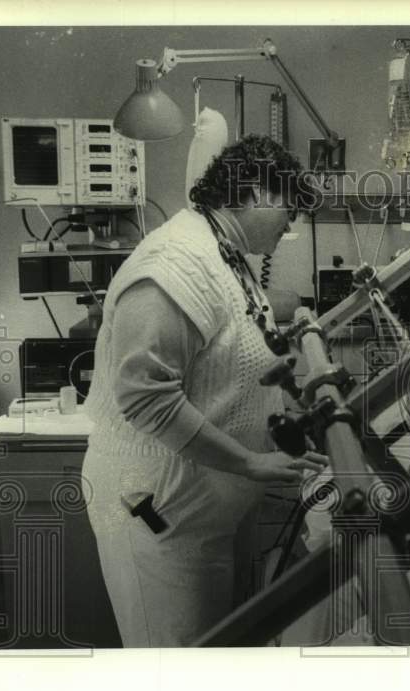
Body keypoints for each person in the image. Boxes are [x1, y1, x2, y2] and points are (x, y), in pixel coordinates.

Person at [81, 135, 326, 647]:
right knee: (177, 679)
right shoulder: (175, 262)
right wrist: (250, 463)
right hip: (157, 514)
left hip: (206, 513)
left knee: (215, 669)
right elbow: (145, 396)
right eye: (290, 208)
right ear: (257, 193)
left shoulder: (223, 252)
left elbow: (229, 334)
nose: (292, 223)